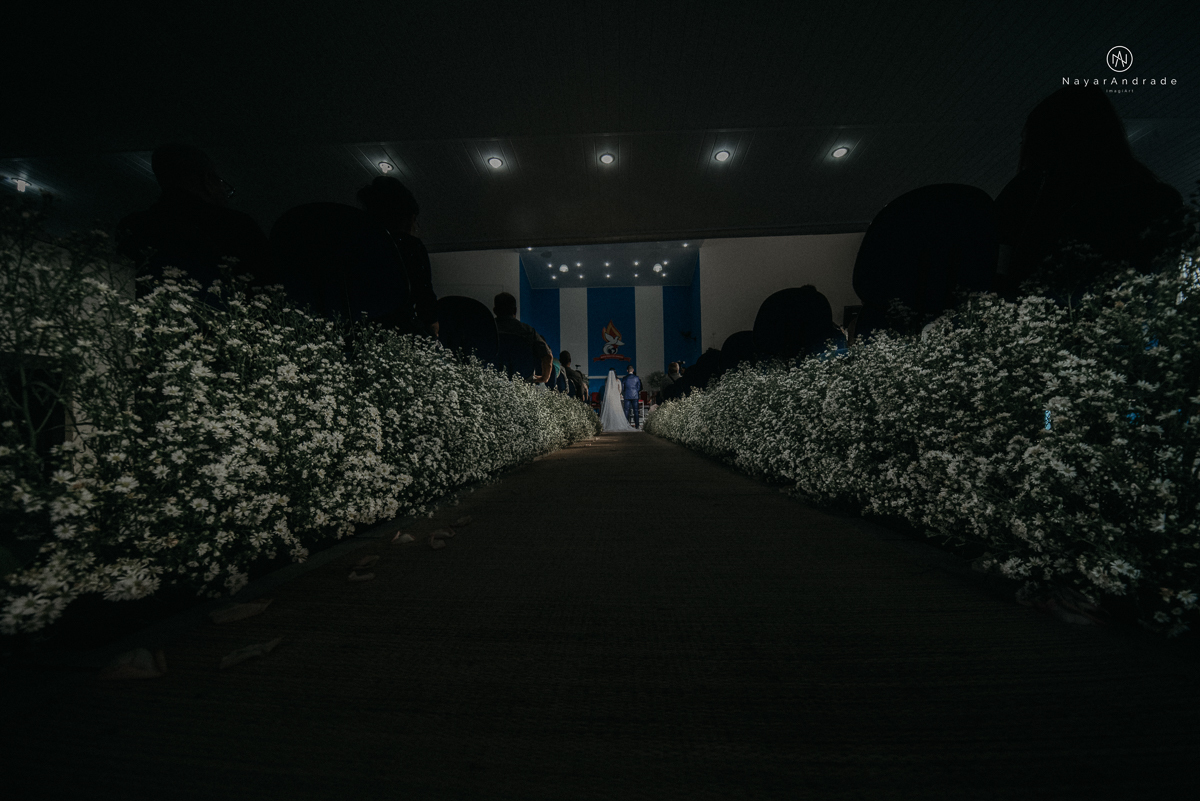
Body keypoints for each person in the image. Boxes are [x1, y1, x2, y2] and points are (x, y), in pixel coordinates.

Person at [994, 86, 1185, 299]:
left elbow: (1000, 268)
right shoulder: (1157, 199)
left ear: (1046, 141)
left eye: (1027, 140)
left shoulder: (1030, 193)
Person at [117, 143, 273, 298]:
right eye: (221, 183)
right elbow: (267, 282)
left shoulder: (134, 226)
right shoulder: (236, 225)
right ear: (208, 180)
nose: (225, 193)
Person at [357, 176, 438, 336]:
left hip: (357, 329)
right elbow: (424, 296)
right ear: (407, 218)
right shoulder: (410, 246)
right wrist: (432, 323)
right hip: (399, 330)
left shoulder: (356, 243)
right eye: (415, 220)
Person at [493, 292, 552, 384]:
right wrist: (544, 378)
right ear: (515, 310)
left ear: (495, 310)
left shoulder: (485, 329)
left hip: (490, 382)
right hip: (522, 385)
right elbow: (547, 356)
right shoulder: (528, 331)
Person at [622, 364, 643, 428]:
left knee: (626, 411)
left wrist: (624, 393)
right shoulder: (637, 378)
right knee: (636, 411)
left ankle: (626, 425)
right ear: (633, 370)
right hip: (635, 396)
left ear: (627, 370)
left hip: (627, 396)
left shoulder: (624, 378)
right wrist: (636, 392)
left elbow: (623, 388)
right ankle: (637, 425)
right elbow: (639, 387)